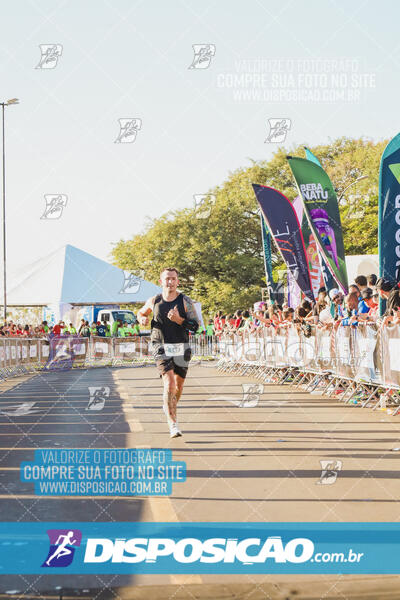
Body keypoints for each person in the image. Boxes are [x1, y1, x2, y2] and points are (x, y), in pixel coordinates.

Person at [137, 267, 199, 438]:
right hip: (160, 345)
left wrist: (179, 320)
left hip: (181, 347)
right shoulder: (154, 300)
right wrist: (141, 317)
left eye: (173, 279)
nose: (170, 282)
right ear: (161, 281)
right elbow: (141, 312)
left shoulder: (185, 301)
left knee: (178, 387)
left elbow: (196, 326)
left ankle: (168, 406)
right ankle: (173, 424)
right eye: (167, 279)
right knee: (169, 383)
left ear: (178, 281)